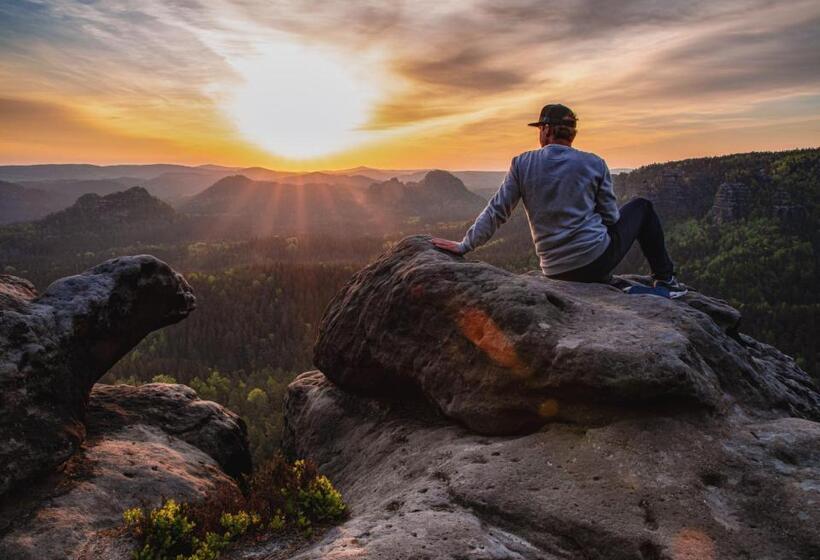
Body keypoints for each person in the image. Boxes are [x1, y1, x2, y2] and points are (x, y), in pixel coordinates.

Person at [431, 103, 687, 297]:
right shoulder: (594, 163)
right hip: (595, 261)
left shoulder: (521, 163)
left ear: (546, 130)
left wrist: (465, 245)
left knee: (634, 213)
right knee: (642, 207)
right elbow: (611, 217)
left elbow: (497, 210)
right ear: (572, 134)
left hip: (554, 269)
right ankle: (666, 280)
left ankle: (613, 284)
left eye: (539, 129)